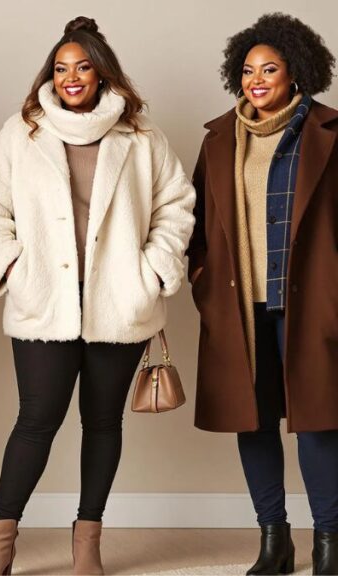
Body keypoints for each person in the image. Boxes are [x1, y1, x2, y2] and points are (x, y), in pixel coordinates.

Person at [0, 16, 195, 575]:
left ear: (101, 74)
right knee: (36, 421)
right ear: (51, 74)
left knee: (103, 423)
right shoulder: (23, 132)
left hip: (119, 303)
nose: (72, 77)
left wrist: (153, 269)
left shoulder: (141, 138)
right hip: (44, 303)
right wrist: (13, 266)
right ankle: (0, 544)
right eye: (62, 68)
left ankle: (86, 543)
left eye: (83, 67)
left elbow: (175, 207)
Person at [187, 12, 338, 575]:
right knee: (253, 422)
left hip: (312, 308)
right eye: (247, 70)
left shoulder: (330, 133)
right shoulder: (220, 138)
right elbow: (198, 228)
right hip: (240, 310)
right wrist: (202, 283)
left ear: (295, 73)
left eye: (268, 69)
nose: (256, 80)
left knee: (321, 423)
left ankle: (329, 542)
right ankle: (274, 542)